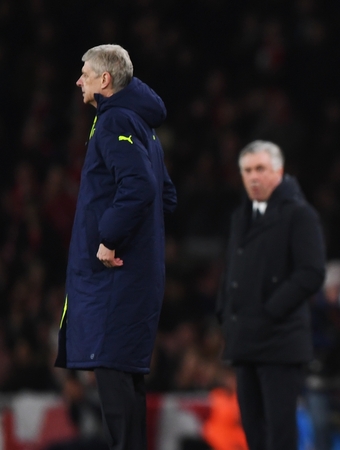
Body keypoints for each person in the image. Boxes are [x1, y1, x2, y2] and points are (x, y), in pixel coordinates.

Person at [55, 44, 177, 450]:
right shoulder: (139, 124)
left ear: (105, 80)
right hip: (135, 273)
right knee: (124, 375)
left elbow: (141, 186)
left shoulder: (114, 121)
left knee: (111, 371)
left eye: (85, 73)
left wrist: (108, 239)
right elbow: (166, 195)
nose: (79, 81)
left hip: (116, 276)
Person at [216, 140, 326, 449]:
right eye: (247, 170)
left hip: (279, 341)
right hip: (245, 341)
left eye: (260, 169)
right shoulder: (242, 215)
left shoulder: (300, 215)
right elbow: (232, 270)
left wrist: (269, 311)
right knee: (254, 432)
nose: (253, 177)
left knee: (279, 434)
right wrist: (224, 312)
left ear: (278, 171)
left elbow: (312, 272)